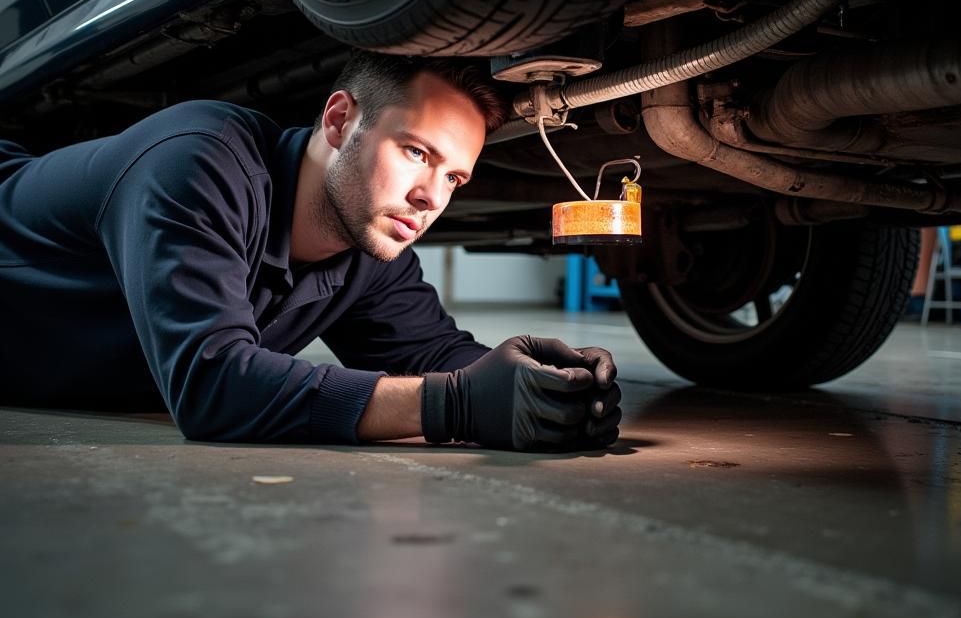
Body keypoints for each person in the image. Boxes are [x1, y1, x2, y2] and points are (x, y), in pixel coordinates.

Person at [0, 53, 621, 451]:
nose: (430, 196)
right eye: (416, 152)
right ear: (339, 120)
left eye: (455, 178)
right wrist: (452, 406)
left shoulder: (372, 246)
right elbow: (211, 385)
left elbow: (434, 353)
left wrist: (544, 381)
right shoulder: (194, 162)